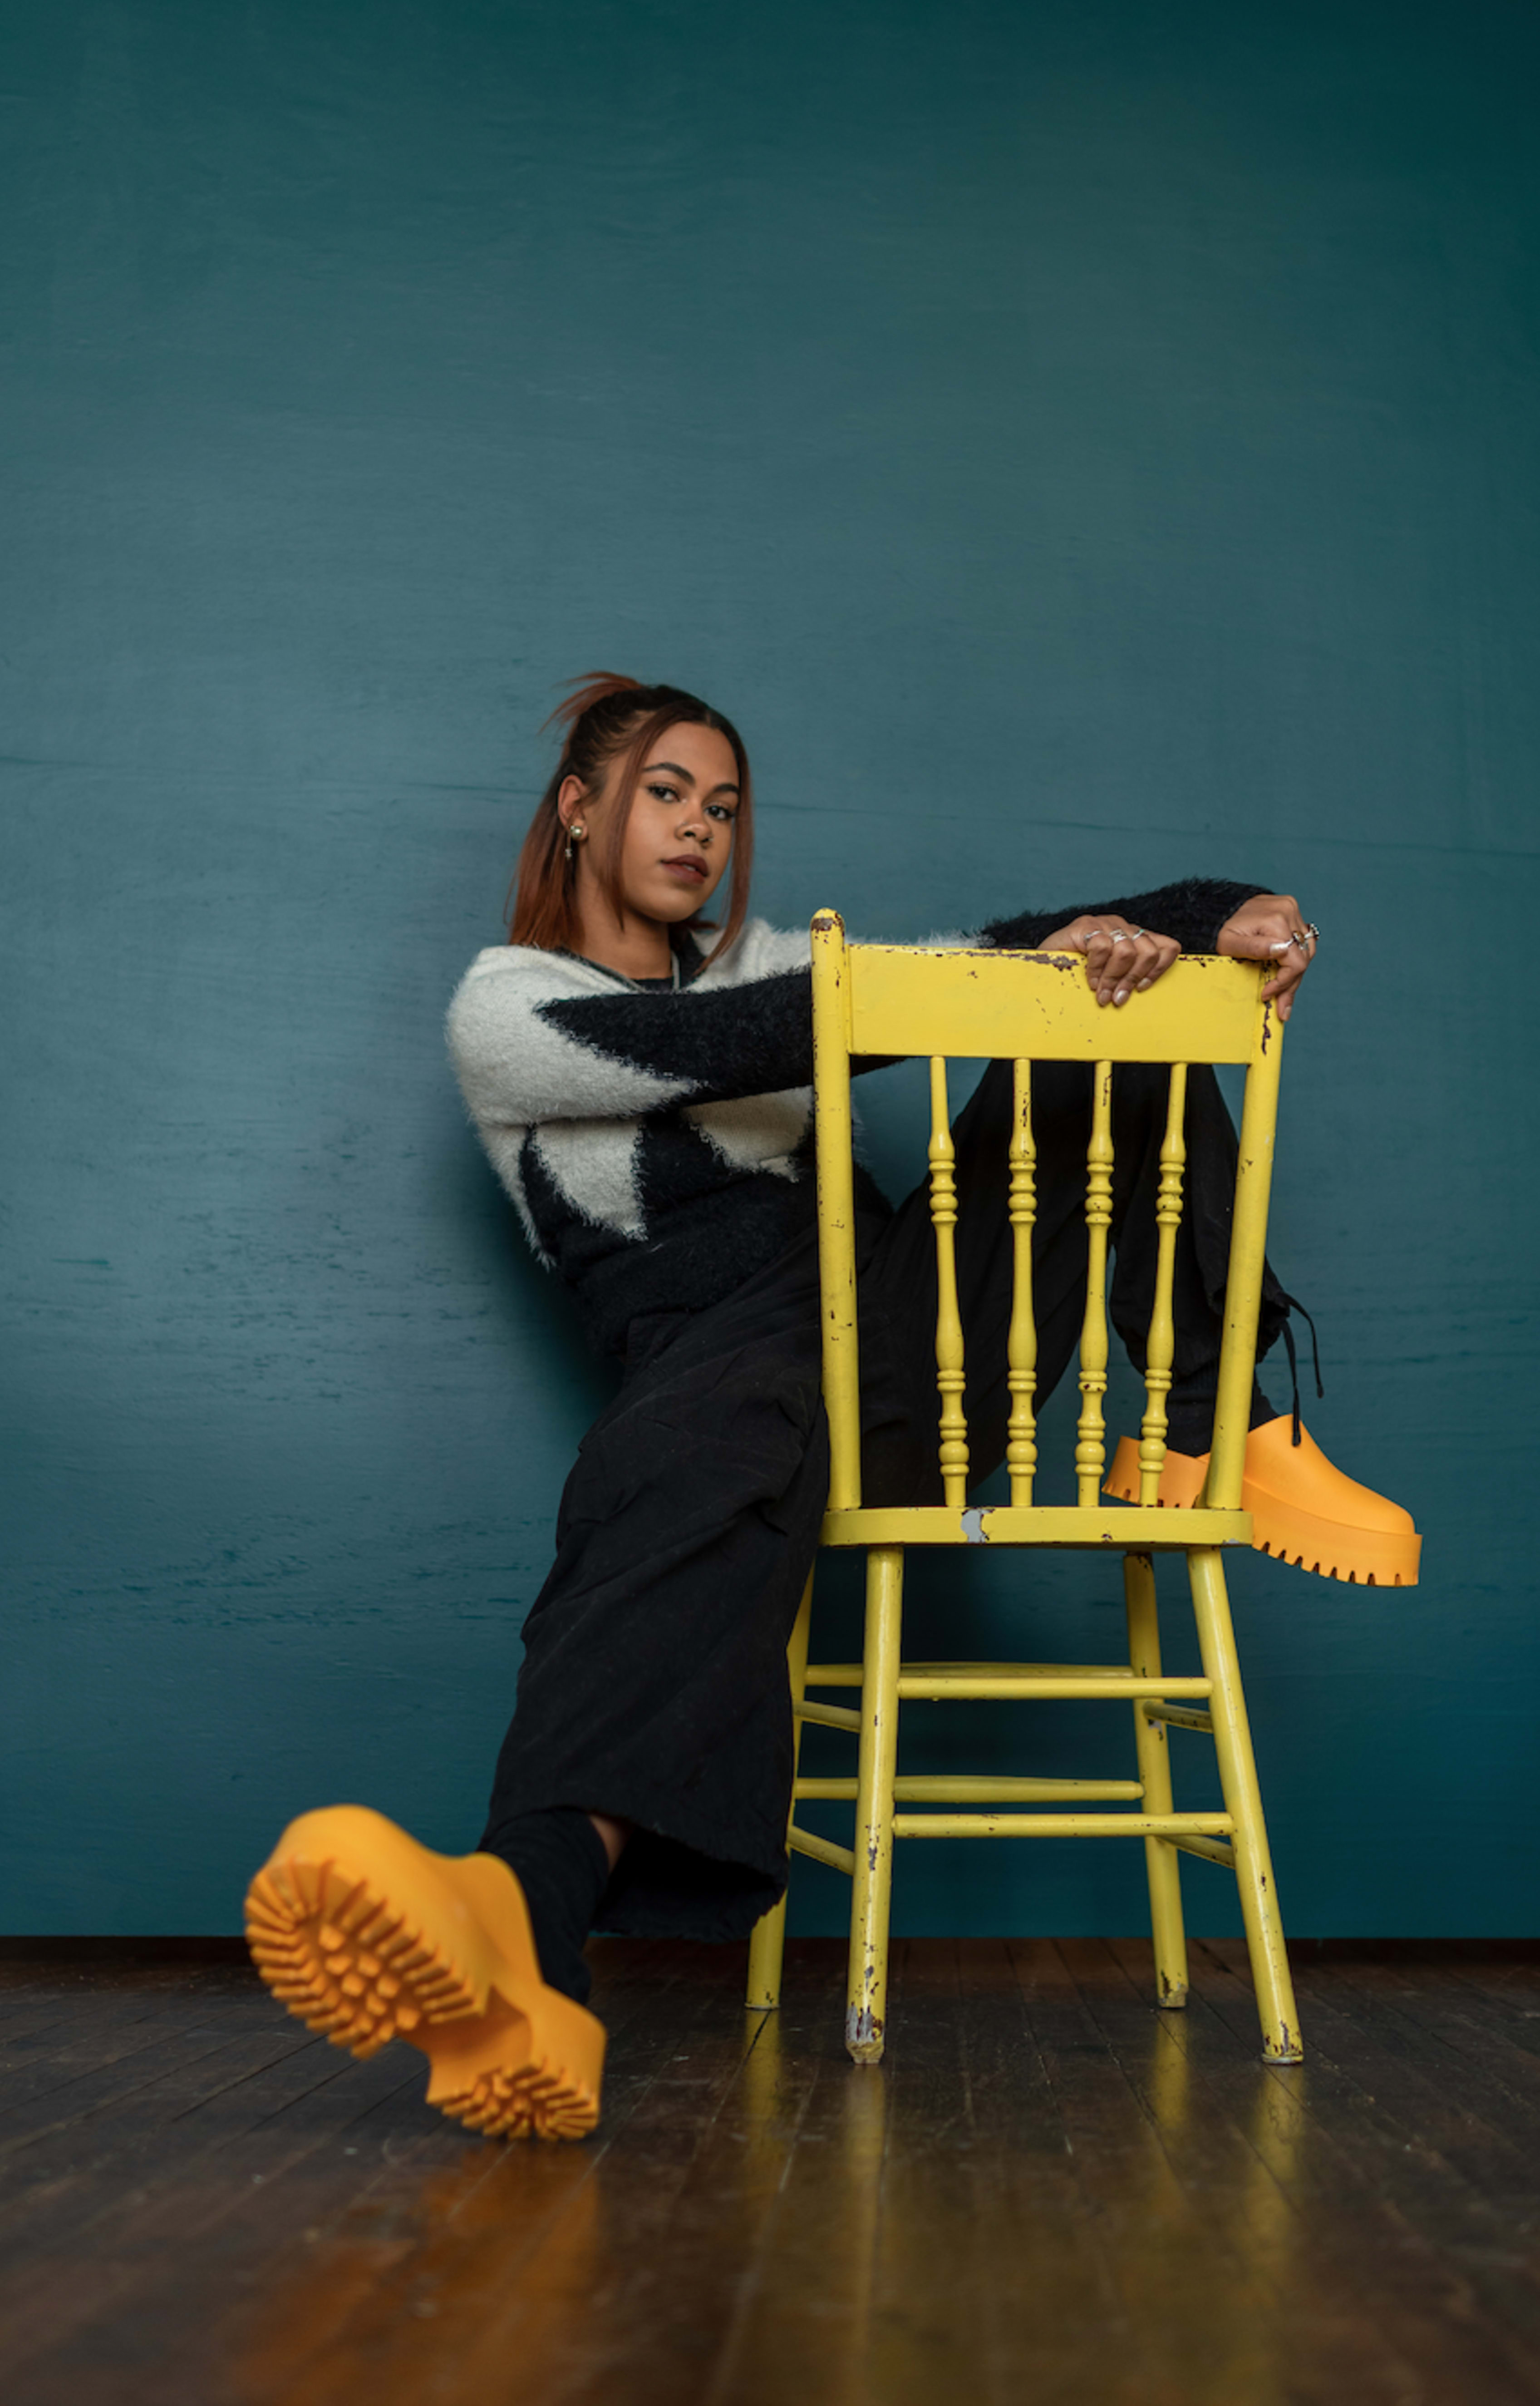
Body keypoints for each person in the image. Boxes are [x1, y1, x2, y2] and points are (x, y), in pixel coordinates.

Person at [244, 674, 1417, 2142]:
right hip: (726, 1392)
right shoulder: (510, 1006)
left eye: (724, 808)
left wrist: (1218, 913)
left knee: (1117, 1024)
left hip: (918, 1366)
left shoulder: (779, 970)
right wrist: (1013, 970)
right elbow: (761, 1041)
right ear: (580, 808)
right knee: (691, 1437)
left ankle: (1217, 1420)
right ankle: (519, 1927)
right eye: (667, 792)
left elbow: (992, 959)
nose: (699, 830)